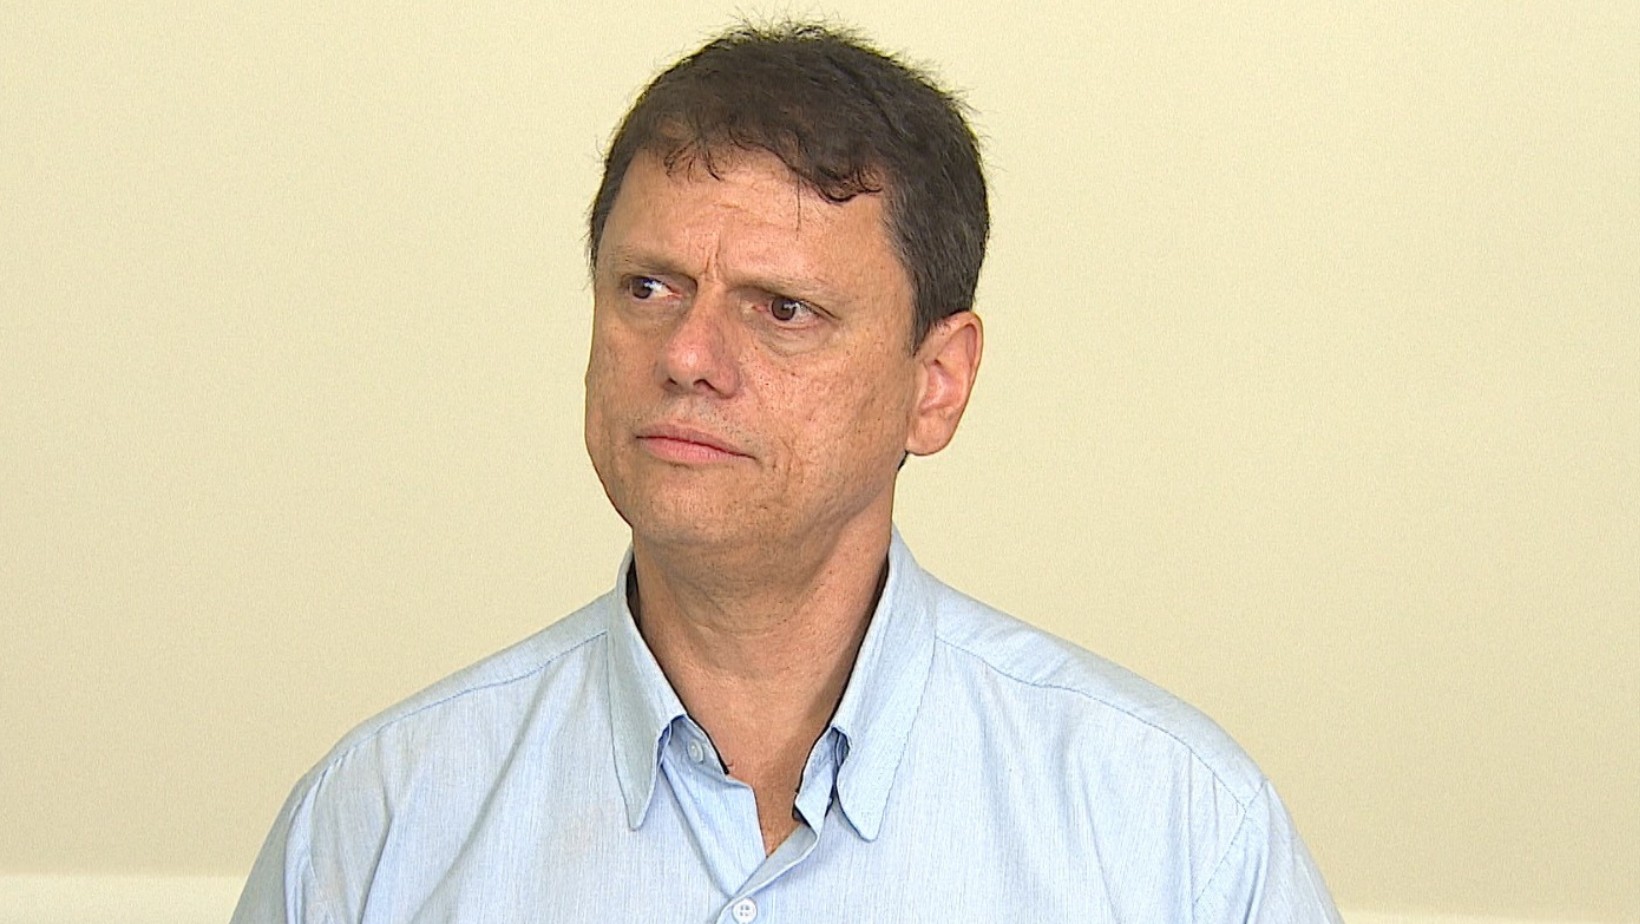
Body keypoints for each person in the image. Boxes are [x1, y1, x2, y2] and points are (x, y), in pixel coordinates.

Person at [232, 22, 1342, 923]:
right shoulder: (378, 824)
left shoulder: (1173, 831)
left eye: (782, 309)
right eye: (648, 288)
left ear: (936, 383)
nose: (687, 356)